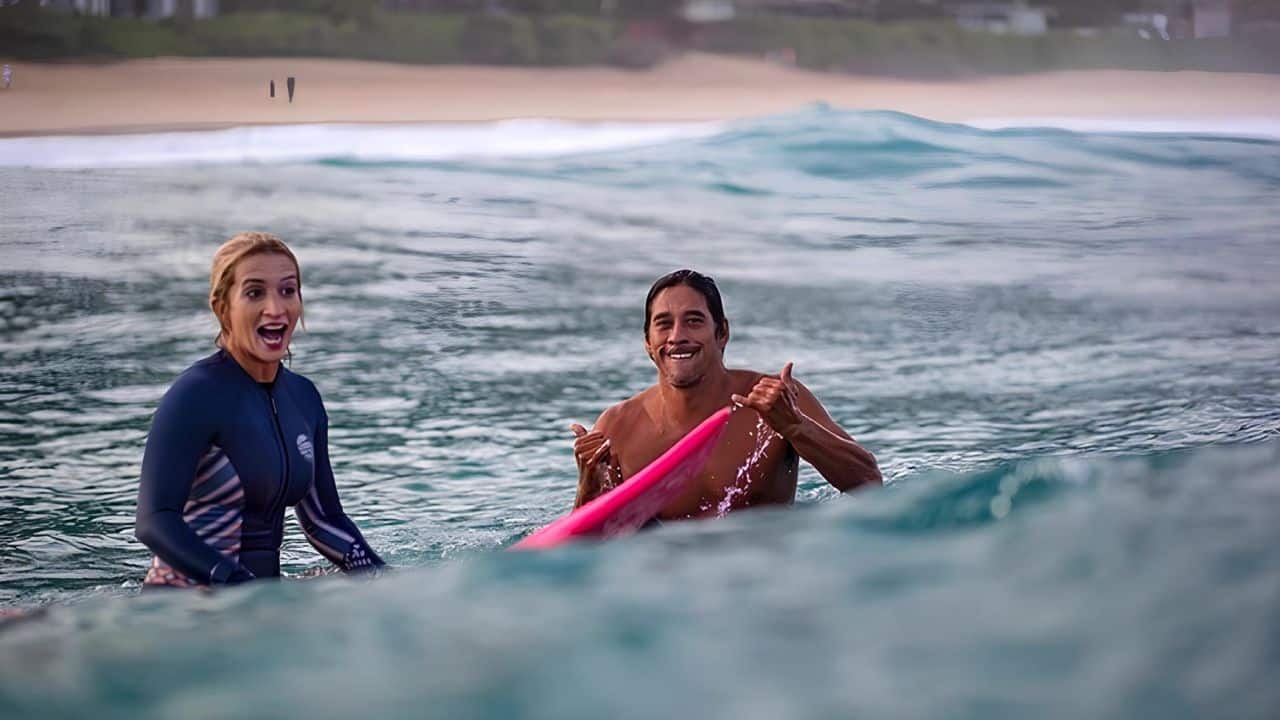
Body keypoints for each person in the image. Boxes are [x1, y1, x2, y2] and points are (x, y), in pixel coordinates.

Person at [135, 232, 384, 587]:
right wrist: (235, 582)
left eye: (287, 290)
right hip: (184, 608)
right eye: (254, 293)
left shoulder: (303, 399)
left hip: (260, 606)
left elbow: (324, 520)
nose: (276, 308)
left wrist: (384, 578)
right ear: (223, 307)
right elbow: (154, 520)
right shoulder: (196, 394)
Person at [571, 269, 881, 519]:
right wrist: (588, 490)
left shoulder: (778, 402)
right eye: (663, 325)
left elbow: (869, 483)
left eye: (694, 321)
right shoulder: (618, 429)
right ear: (648, 344)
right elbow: (584, 540)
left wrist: (796, 428)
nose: (677, 336)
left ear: (722, 333)